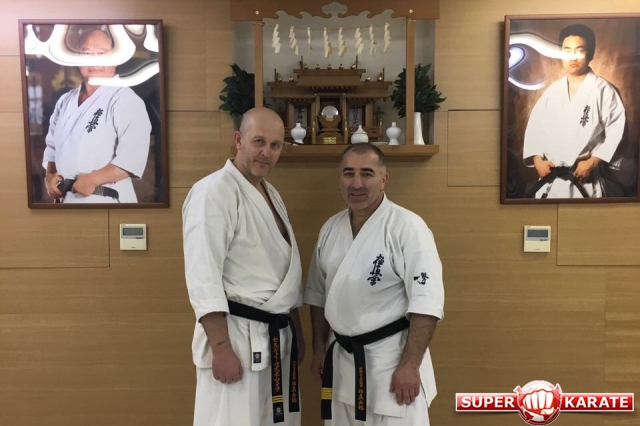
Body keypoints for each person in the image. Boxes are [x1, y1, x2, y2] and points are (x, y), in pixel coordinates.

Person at [304, 143, 444, 426]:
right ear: (339, 178)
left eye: (366, 173)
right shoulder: (330, 228)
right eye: (349, 173)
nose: (356, 183)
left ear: (384, 179)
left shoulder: (408, 227)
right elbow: (318, 295)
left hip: (391, 364)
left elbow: (426, 303)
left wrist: (410, 365)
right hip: (342, 362)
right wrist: (319, 348)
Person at [182, 107, 305, 426]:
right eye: (259, 141)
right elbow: (203, 275)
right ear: (238, 140)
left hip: (274, 337)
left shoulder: (270, 192)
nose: (267, 152)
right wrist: (220, 347)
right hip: (235, 337)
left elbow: (284, 274)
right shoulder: (214, 192)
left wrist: (296, 330)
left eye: (275, 145)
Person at [42, 28, 151, 203]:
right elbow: (52, 148)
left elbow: (132, 157)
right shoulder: (64, 101)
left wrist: (93, 179)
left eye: (102, 53)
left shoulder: (126, 99)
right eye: (87, 54)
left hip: (106, 198)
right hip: (67, 200)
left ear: (116, 57)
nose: (94, 60)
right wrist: (50, 176)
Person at [523, 23, 627, 198]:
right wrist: (537, 160)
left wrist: (593, 162)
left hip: (586, 182)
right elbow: (535, 130)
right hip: (552, 181)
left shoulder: (603, 90)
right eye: (567, 50)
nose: (573, 57)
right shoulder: (552, 91)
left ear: (590, 53)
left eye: (580, 50)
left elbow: (617, 131)